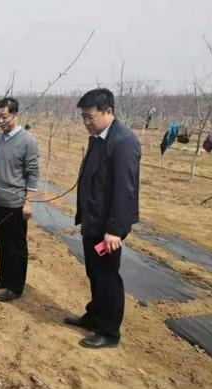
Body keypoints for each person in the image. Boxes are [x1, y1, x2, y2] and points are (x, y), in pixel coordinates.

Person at [64, 88, 141, 349]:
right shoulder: (99, 137)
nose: (86, 122)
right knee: (94, 272)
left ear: (109, 112)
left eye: (90, 117)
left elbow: (125, 190)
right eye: (83, 117)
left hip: (108, 228)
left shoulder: (123, 142)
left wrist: (115, 230)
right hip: (93, 222)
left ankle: (109, 332)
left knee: (107, 276)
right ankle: (94, 316)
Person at [0, 97, 40, 302]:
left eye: (4, 117)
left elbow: (33, 174)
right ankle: (4, 278)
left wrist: (29, 202)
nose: (0, 121)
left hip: (16, 203)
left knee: (16, 246)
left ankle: (15, 287)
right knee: (2, 242)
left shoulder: (27, 141)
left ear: (15, 115)